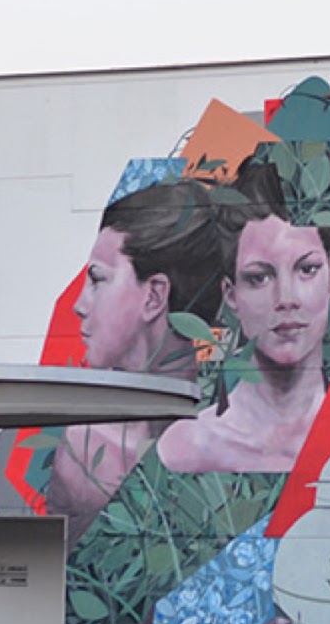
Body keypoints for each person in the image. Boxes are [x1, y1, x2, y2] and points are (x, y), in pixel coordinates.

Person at [70, 158, 330, 624]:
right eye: (259, 277)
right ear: (231, 294)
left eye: (307, 269)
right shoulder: (184, 452)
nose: (286, 298)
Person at [45, 179, 222, 544]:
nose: (79, 305)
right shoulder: (82, 447)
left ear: (154, 296)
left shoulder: (231, 441)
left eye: (97, 280)